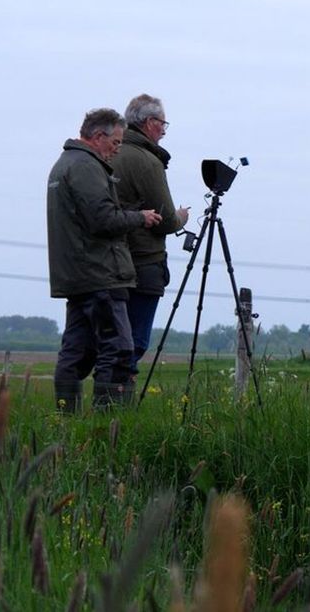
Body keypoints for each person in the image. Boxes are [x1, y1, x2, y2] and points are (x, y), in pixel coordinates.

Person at [47, 108, 163, 412]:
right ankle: (108, 426)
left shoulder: (64, 165)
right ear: (98, 136)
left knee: (75, 354)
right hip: (101, 275)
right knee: (120, 351)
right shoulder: (85, 166)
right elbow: (102, 219)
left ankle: (66, 422)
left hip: (78, 277)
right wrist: (140, 216)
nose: (116, 149)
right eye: (115, 143)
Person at [111, 94, 189, 376]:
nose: (164, 131)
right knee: (134, 342)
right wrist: (181, 217)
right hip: (144, 262)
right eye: (163, 124)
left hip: (110, 261)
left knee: (112, 340)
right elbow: (166, 220)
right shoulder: (147, 161)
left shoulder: (111, 153)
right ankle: (119, 401)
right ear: (150, 123)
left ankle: (105, 400)